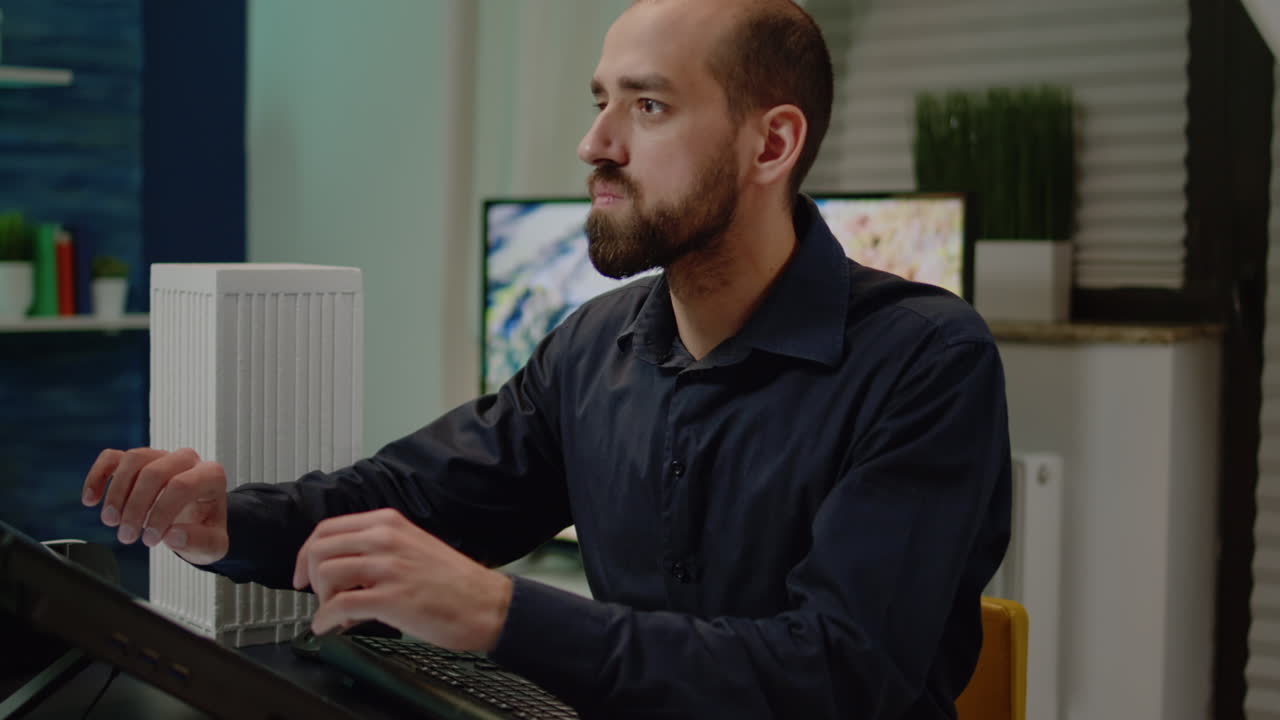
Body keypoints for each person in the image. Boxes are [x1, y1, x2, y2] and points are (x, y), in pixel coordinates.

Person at [80, 0, 1011, 717]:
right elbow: (416, 499)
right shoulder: (595, 344)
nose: (595, 144)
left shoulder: (926, 360)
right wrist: (222, 523)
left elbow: (837, 677)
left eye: (648, 106)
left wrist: (500, 615)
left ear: (771, 142)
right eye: (601, 103)